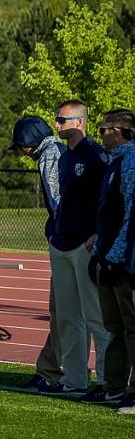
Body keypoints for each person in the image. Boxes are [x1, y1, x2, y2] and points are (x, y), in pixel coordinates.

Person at [44, 99, 110, 395]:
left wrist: (97, 234)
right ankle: (74, 381)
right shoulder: (63, 158)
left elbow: (108, 201)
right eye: (57, 119)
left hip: (84, 246)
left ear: (80, 122)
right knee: (69, 318)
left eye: (62, 120)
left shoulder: (97, 156)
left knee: (96, 318)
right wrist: (55, 234)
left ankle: (109, 380)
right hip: (61, 244)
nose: (57, 125)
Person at [9, 115, 66, 391]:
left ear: (28, 142)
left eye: (21, 146)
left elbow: (58, 200)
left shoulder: (49, 155)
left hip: (69, 243)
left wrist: (58, 230)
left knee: (65, 311)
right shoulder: (60, 150)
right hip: (75, 239)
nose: (22, 153)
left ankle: (52, 371)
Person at [85, 109, 135, 413]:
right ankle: (114, 385)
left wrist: (115, 256)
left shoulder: (130, 161)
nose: (99, 134)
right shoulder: (113, 162)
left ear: (119, 131)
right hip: (110, 254)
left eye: (103, 129)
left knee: (132, 328)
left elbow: (131, 215)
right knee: (114, 327)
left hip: (124, 260)